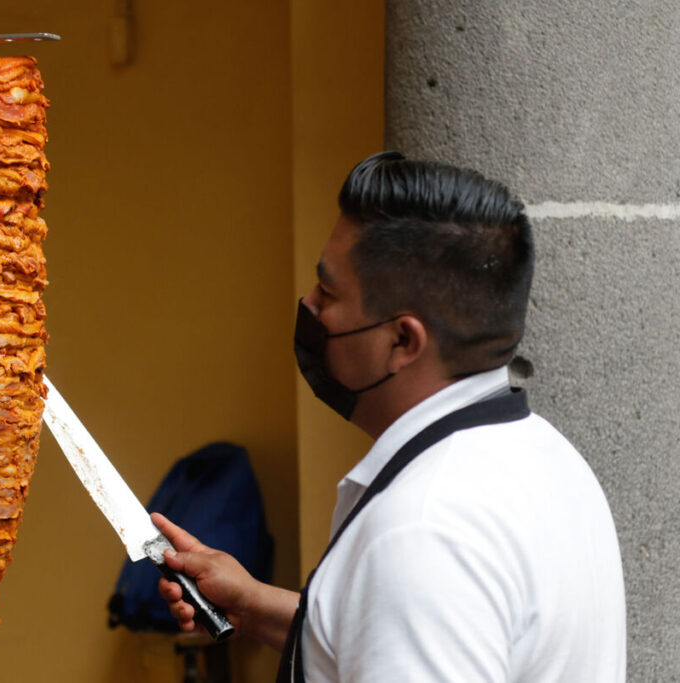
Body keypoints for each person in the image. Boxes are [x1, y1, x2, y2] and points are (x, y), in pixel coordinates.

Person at [153, 152, 626, 682]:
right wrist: (255, 605)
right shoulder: (548, 459)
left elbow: (419, 603)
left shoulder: (423, 530)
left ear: (402, 340)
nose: (309, 305)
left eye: (328, 292)